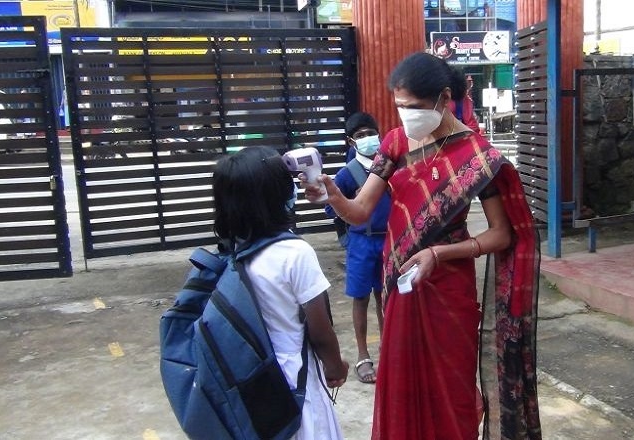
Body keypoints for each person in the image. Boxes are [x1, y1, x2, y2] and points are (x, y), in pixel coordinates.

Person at [302, 52, 541, 439]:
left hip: (448, 289)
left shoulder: (479, 157)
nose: (405, 115)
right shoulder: (396, 144)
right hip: (401, 286)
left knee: (453, 389)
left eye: (412, 106)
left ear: (444, 98)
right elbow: (360, 211)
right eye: (399, 106)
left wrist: (438, 253)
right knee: (403, 383)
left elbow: (502, 234)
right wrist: (331, 194)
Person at [212, 146, 349, 440]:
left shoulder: (230, 252)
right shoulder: (294, 253)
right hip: (295, 380)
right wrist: (336, 367)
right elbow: (320, 331)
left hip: (252, 378)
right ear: (276, 197)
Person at [325, 112, 390, 384]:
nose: (368, 139)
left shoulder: (389, 165)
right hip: (362, 242)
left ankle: (387, 350)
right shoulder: (347, 173)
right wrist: (349, 236)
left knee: (385, 296)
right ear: (351, 141)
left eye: (371, 133)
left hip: (389, 240)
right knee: (361, 297)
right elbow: (332, 206)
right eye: (361, 136)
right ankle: (363, 356)